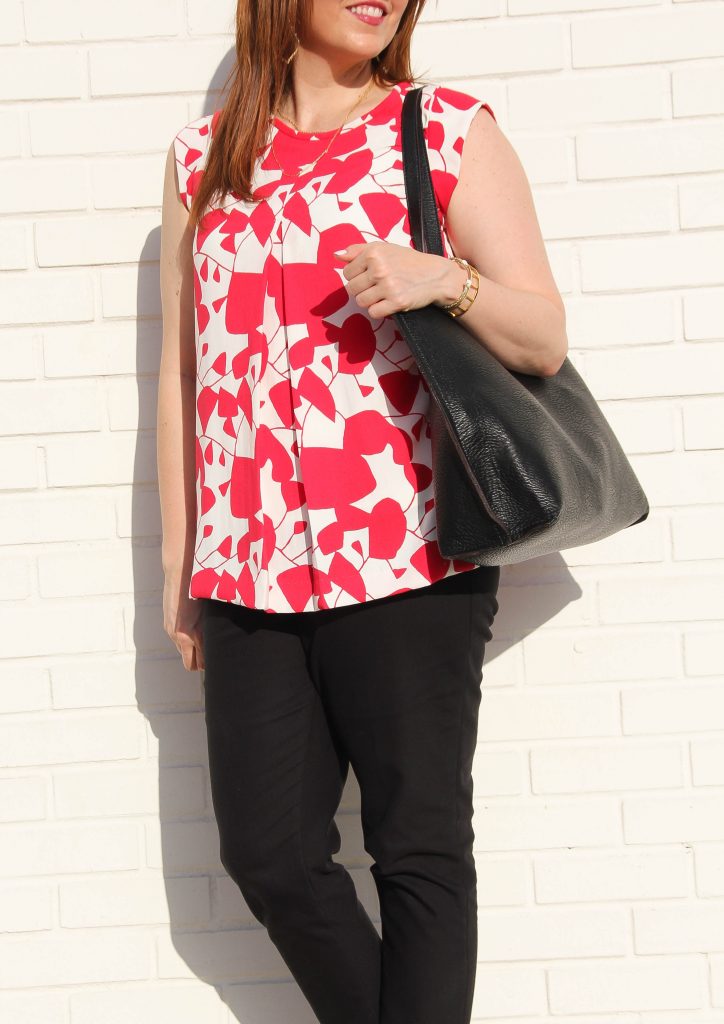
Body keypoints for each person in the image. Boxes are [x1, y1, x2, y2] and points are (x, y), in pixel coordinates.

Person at [158, 2, 567, 1021]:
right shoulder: (201, 161)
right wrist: (183, 561)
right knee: (269, 854)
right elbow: (182, 377)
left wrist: (445, 279)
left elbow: (543, 338)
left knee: (417, 846)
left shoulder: (443, 132)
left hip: (408, 554)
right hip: (247, 562)